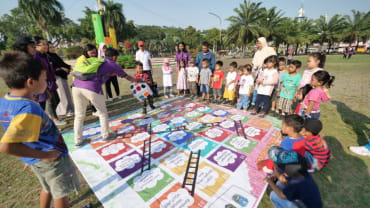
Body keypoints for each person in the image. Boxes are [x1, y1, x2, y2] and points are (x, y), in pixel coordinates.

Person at [0, 52, 80, 208]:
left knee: (47, 187)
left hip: (37, 160)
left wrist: (31, 157)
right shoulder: (28, 109)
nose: (46, 82)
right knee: (61, 194)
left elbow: (16, 134)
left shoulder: (7, 100)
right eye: (44, 79)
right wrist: (44, 155)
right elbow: (7, 146)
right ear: (30, 82)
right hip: (50, 159)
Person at [72, 48, 137, 146]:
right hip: (91, 88)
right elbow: (127, 77)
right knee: (102, 113)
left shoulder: (97, 60)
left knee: (79, 115)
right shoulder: (112, 64)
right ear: (114, 57)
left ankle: (78, 140)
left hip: (76, 86)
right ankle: (106, 135)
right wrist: (137, 80)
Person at [33, 36, 66, 126]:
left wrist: (54, 81)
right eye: (43, 44)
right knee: (48, 101)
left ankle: (52, 116)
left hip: (51, 82)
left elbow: (50, 70)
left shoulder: (46, 56)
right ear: (36, 46)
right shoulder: (35, 57)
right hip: (43, 84)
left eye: (46, 44)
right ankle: (54, 119)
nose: (46, 46)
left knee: (57, 100)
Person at [47, 42, 74, 117]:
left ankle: (70, 109)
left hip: (62, 76)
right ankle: (65, 110)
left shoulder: (54, 55)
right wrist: (61, 69)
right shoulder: (48, 57)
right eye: (50, 47)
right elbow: (53, 68)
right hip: (57, 77)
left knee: (66, 93)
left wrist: (68, 67)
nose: (53, 49)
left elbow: (62, 63)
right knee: (62, 94)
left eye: (53, 47)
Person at [76, 44, 99, 116]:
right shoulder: (82, 59)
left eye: (95, 53)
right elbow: (85, 71)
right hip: (81, 81)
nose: (93, 54)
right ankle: (94, 110)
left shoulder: (92, 58)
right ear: (86, 52)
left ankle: (95, 110)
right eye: (91, 53)